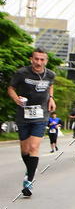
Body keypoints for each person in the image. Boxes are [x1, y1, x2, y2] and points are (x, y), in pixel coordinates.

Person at [7, 48, 56, 197]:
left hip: (41, 114)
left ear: (46, 61)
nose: (39, 62)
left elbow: (50, 85)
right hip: (23, 114)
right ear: (31, 59)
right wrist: (16, 99)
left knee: (34, 147)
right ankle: (30, 170)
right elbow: (11, 88)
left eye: (42, 59)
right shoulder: (22, 73)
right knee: (25, 150)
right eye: (36, 59)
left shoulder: (50, 74)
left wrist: (51, 98)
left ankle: (28, 181)